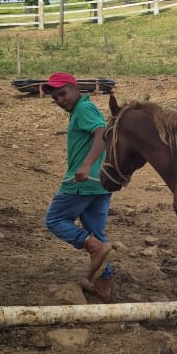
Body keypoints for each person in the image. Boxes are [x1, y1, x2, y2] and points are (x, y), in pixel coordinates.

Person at [42, 71, 114, 299]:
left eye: (62, 94)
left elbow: (102, 132)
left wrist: (85, 164)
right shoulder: (80, 110)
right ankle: (104, 282)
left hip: (82, 182)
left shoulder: (84, 109)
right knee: (96, 232)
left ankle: (92, 247)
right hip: (99, 183)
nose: (60, 100)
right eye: (55, 98)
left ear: (75, 89)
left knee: (54, 220)